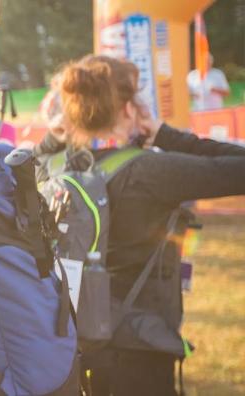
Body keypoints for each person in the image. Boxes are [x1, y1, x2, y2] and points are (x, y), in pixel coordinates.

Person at [53, 54, 245, 396]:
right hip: (142, 344)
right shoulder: (150, 172)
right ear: (129, 108)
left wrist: (53, 140)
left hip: (74, 341)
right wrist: (164, 134)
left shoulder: (58, 169)